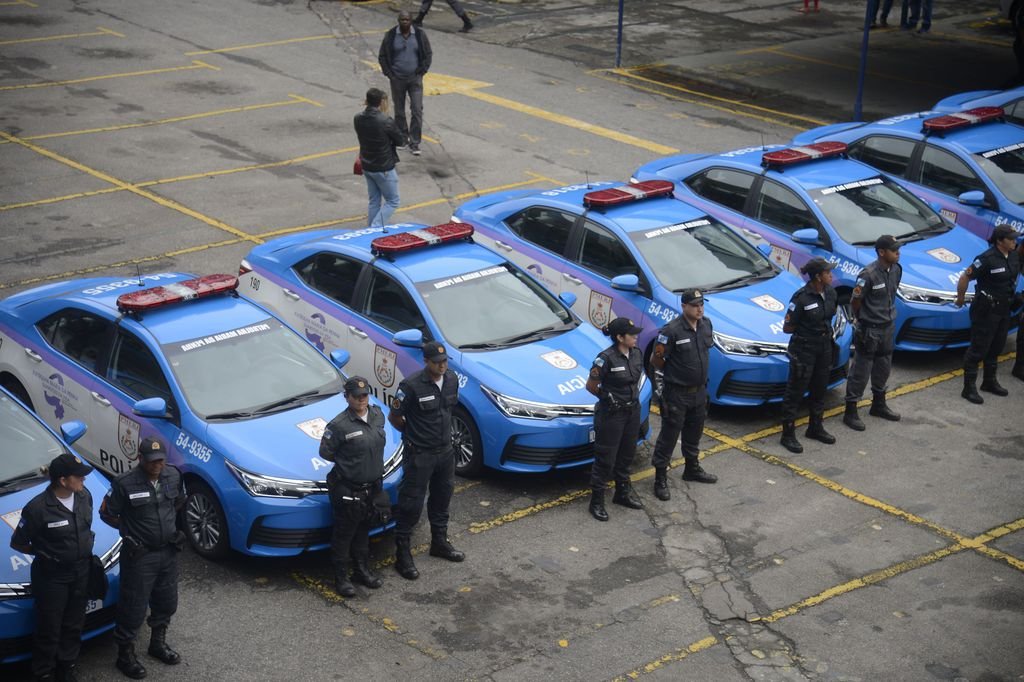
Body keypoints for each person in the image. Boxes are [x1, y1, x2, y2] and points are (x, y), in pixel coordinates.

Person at [101, 438, 185, 680]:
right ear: (140, 459)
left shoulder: (173, 476)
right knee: (133, 606)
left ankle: (157, 644)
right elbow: (107, 513)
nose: (157, 465)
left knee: (167, 600)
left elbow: (179, 502)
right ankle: (125, 655)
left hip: (167, 552)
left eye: (160, 460)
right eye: (151, 461)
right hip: (140, 556)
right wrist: (130, 531)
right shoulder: (124, 483)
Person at [11, 453, 95, 682]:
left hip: (81, 572)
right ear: (63, 480)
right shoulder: (37, 508)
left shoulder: (84, 496)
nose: (84, 481)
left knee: (74, 624)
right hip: (52, 578)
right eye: (79, 477)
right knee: (49, 628)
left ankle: (66, 666)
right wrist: (46, 554)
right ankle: (44, 672)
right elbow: (18, 542)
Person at [388, 340, 464, 580]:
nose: (442, 366)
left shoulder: (451, 379)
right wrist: (414, 436)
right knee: (411, 503)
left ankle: (439, 543)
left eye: (444, 362)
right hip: (420, 454)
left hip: (445, 451)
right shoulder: (410, 386)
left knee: (442, 498)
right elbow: (395, 417)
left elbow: (449, 410)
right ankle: (402, 554)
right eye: (437, 362)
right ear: (426, 362)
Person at [320, 376, 386, 598]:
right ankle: (341, 578)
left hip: (372, 488)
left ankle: (362, 571)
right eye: (356, 396)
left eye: (364, 395)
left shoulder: (377, 415)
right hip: (348, 489)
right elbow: (326, 452)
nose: (361, 400)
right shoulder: (339, 425)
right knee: (344, 535)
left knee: (363, 533)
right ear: (346, 397)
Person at [649, 289, 718, 501]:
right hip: (676, 394)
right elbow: (657, 363)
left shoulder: (706, 324)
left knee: (694, 433)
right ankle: (660, 477)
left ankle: (692, 468)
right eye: (695, 305)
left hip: (698, 392)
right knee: (669, 437)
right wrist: (661, 396)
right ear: (684, 306)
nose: (699, 309)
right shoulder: (671, 331)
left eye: (701, 304)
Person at [585, 317, 646, 521]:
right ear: (620, 337)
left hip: (631, 412)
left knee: (627, 454)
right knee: (605, 459)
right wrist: (607, 398)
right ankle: (596, 501)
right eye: (632, 334)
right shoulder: (606, 359)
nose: (636, 337)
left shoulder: (637, 353)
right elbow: (591, 386)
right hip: (612, 415)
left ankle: (622, 493)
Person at [955, 225, 1023, 403]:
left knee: (996, 347)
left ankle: (989, 382)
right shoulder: (986, 259)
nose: (1015, 241)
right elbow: (965, 277)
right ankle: (968, 388)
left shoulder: (1015, 255)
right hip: (986, 311)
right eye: (1011, 239)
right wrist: (960, 298)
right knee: (978, 349)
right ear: (1000, 241)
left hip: (1004, 309)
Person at [780, 258, 840, 454]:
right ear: (817, 276)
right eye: (827, 272)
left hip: (824, 347)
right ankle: (788, 434)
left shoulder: (831, 292)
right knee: (795, 391)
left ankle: (815, 427)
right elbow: (788, 327)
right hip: (804, 349)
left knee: (820, 388)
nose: (831, 275)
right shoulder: (801, 298)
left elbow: (831, 316)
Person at [843, 235, 902, 431]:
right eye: (894, 250)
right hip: (870, 329)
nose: (898, 253)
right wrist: (863, 320)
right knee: (861, 369)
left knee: (883, 366)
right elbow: (856, 301)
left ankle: (878, 404)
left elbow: (891, 295)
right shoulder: (868, 275)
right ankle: (850, 411)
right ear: (881, 252)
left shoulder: (896, 270)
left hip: (887, 326)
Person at [378, 11, 432, 156]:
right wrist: (390, 75)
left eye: (407, 20)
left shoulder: (420, 35)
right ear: (398, 20)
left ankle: (414, 143)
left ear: (411, 21)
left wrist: (422, 71)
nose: (405, 22)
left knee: (417, 110)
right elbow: (382, 56)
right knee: (399, 111)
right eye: (402, 20)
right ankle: (402, 138)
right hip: (397, 79)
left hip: (415, 79)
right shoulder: (390, 35)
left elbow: (428, 54)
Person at [354, 87, 404, 227]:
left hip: (367, 164)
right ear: (381, 102)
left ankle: (371, 227)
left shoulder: (358, 118)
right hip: (384, 166)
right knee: (393, 201)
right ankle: (375, 228)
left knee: (374, 200)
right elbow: (400, 140)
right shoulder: (385, 120)